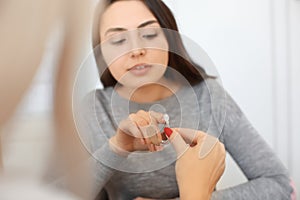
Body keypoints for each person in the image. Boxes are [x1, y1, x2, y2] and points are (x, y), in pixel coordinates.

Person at [76, 0, 294, 199]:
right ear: (101, 52)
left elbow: (279, 184)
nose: (137, 50)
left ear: (169, 38)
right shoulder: (94, 109)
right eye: (118, 39)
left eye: (149, 34)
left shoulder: (208, 97)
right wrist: (115, 149)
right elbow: (57, 193)